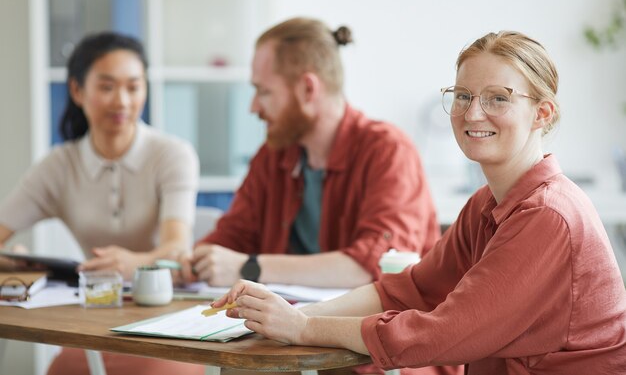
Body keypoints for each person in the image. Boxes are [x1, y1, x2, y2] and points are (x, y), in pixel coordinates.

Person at [213, 31, 626, 374]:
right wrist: (290, 315)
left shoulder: (547, 215)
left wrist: (304, 327)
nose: (473, 113)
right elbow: (408, 290)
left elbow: (444, 331)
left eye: (498, 98)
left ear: (542, 113)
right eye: (463, 95)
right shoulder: (486, 204)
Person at [182, 17, 441, 290]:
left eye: (263, 91)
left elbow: (377, 264)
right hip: (284, 324)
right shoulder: (273, 155)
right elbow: (232, 237)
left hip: (365, 328)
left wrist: (250, 267)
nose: (253, 107)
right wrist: (196, 262)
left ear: (308, 89)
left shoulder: (389, 151)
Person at [0, 32, 203, 375]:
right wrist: (13, 261)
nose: (122, 101)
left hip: (167, 320)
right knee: (63, 369)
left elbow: (175, 248)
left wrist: (133, 262)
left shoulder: (172, 155)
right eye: (107, 87)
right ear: (78, 91)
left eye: (134, 87)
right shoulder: (58, 166)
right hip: (92, 320)